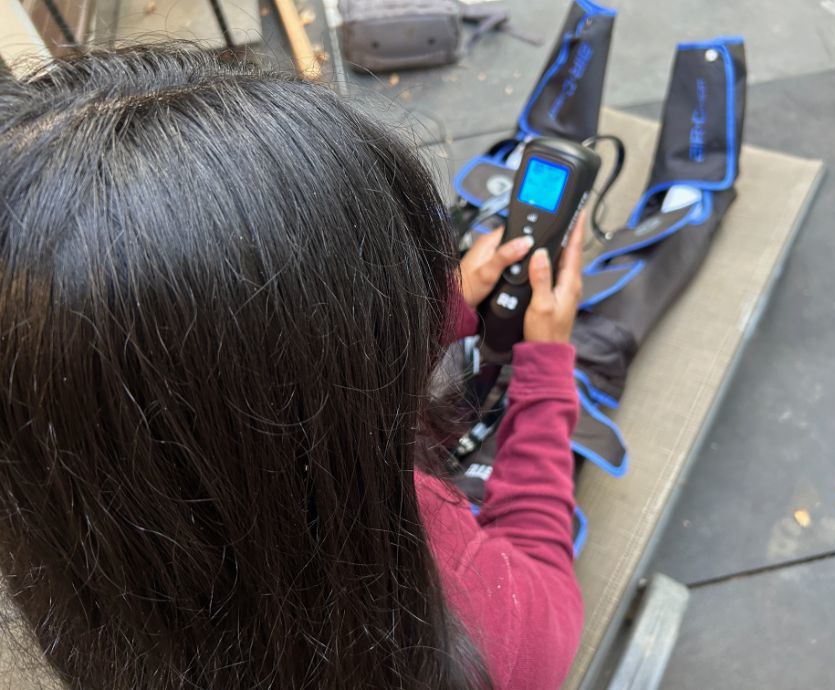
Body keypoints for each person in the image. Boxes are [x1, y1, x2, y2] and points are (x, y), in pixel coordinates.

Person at [0, 46, 582, 690]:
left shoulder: (74, 563)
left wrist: (440, 307)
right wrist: (547, 368)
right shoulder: (464, 606)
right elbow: (545, 594)